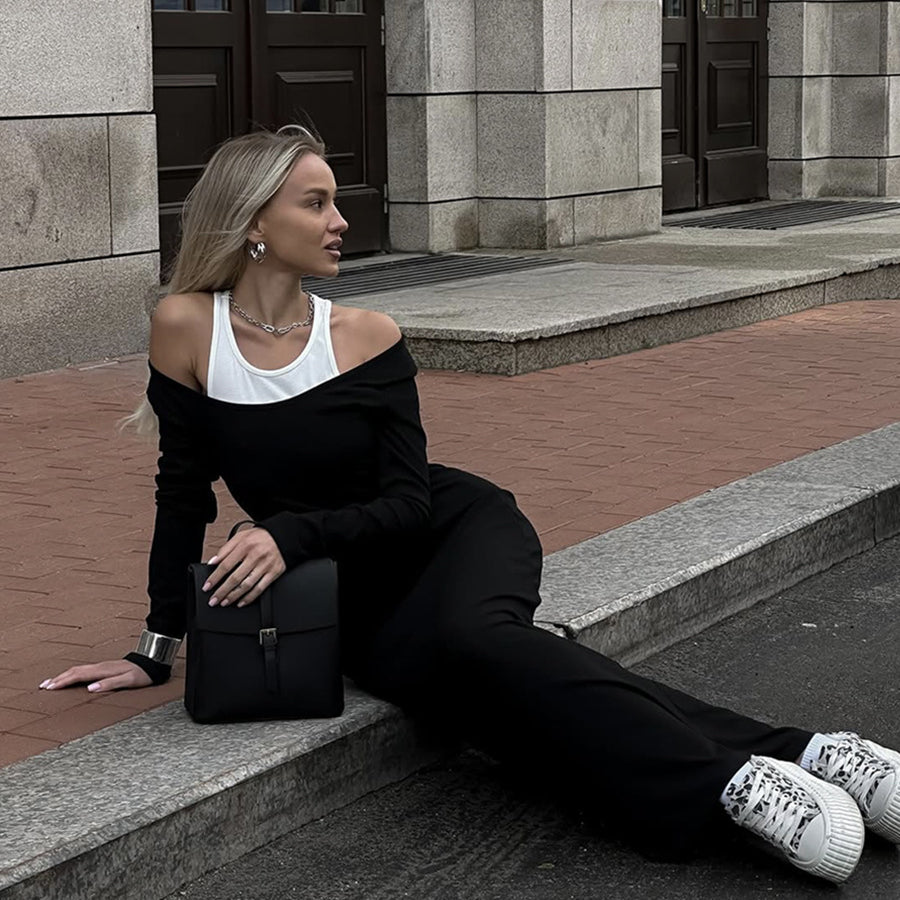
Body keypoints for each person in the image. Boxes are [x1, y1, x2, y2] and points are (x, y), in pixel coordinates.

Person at [41, 126, 900, 884]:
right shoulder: (188, 326)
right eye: (316, 203)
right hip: (348, 597)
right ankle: (806, 755)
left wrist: (288, 530)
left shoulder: (368, 335)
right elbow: (182, 492)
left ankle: (733, 784)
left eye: (337, 201)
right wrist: (155, 647)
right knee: (488, 691)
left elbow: (410, 503)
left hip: (452, 532)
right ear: (254, 223)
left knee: (475, 643)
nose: (340, 220)